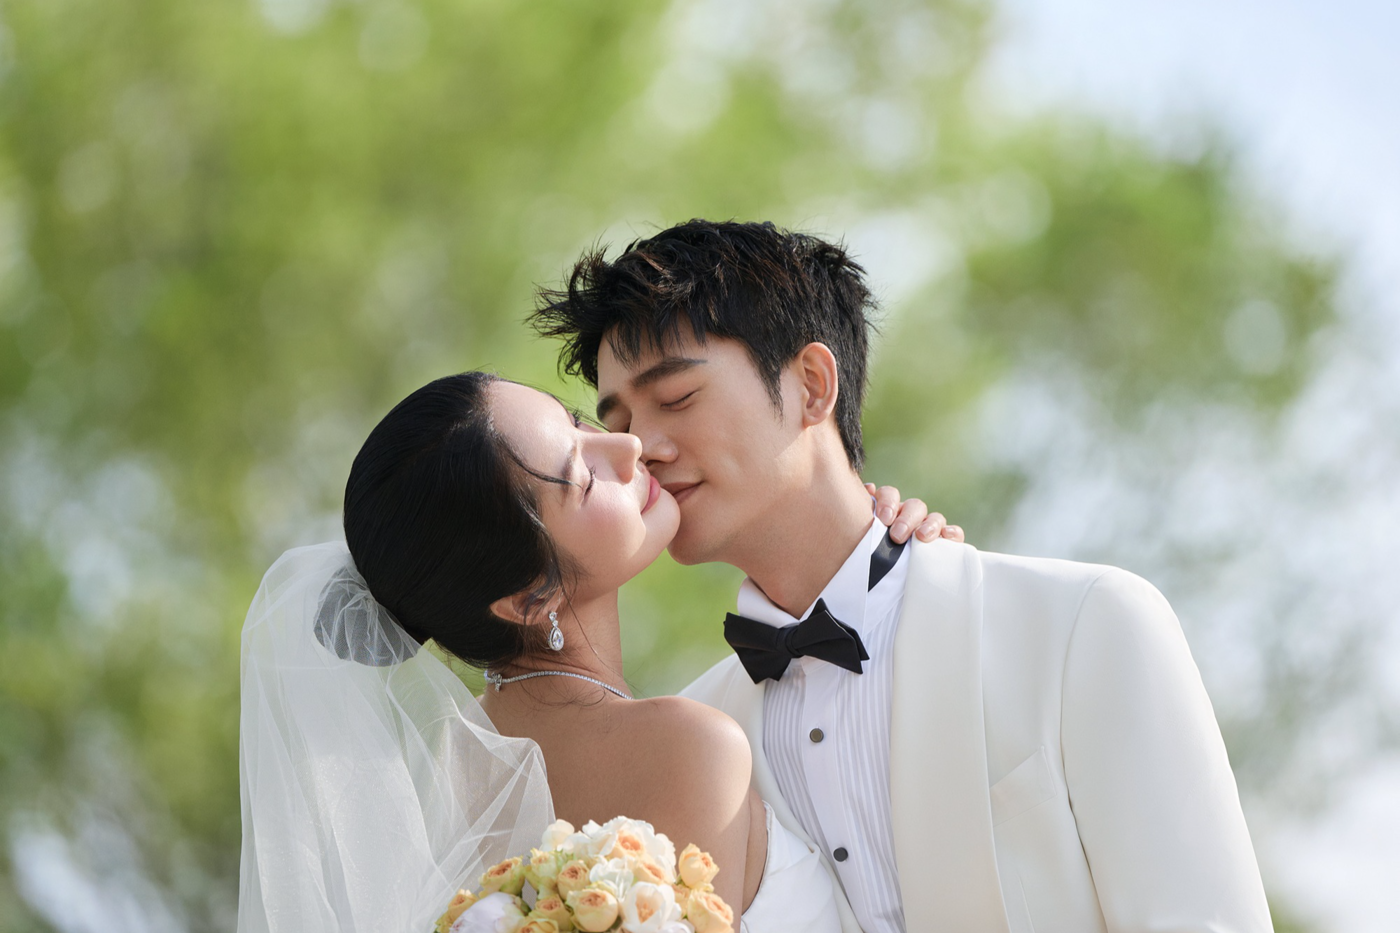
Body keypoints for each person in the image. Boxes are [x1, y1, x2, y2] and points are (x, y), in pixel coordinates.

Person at [531, 219, 1275, 933]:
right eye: (619, 423)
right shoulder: (693, 738)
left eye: (677, 399)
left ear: (812, 385)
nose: (642, 449)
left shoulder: (1085, 625)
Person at [236, 369, 951, 933]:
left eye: (578, 421)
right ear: (527, 596)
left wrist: (877, 557)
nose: (629, 447)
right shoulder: (684, 745)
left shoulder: (440, 784)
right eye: (581, 476)